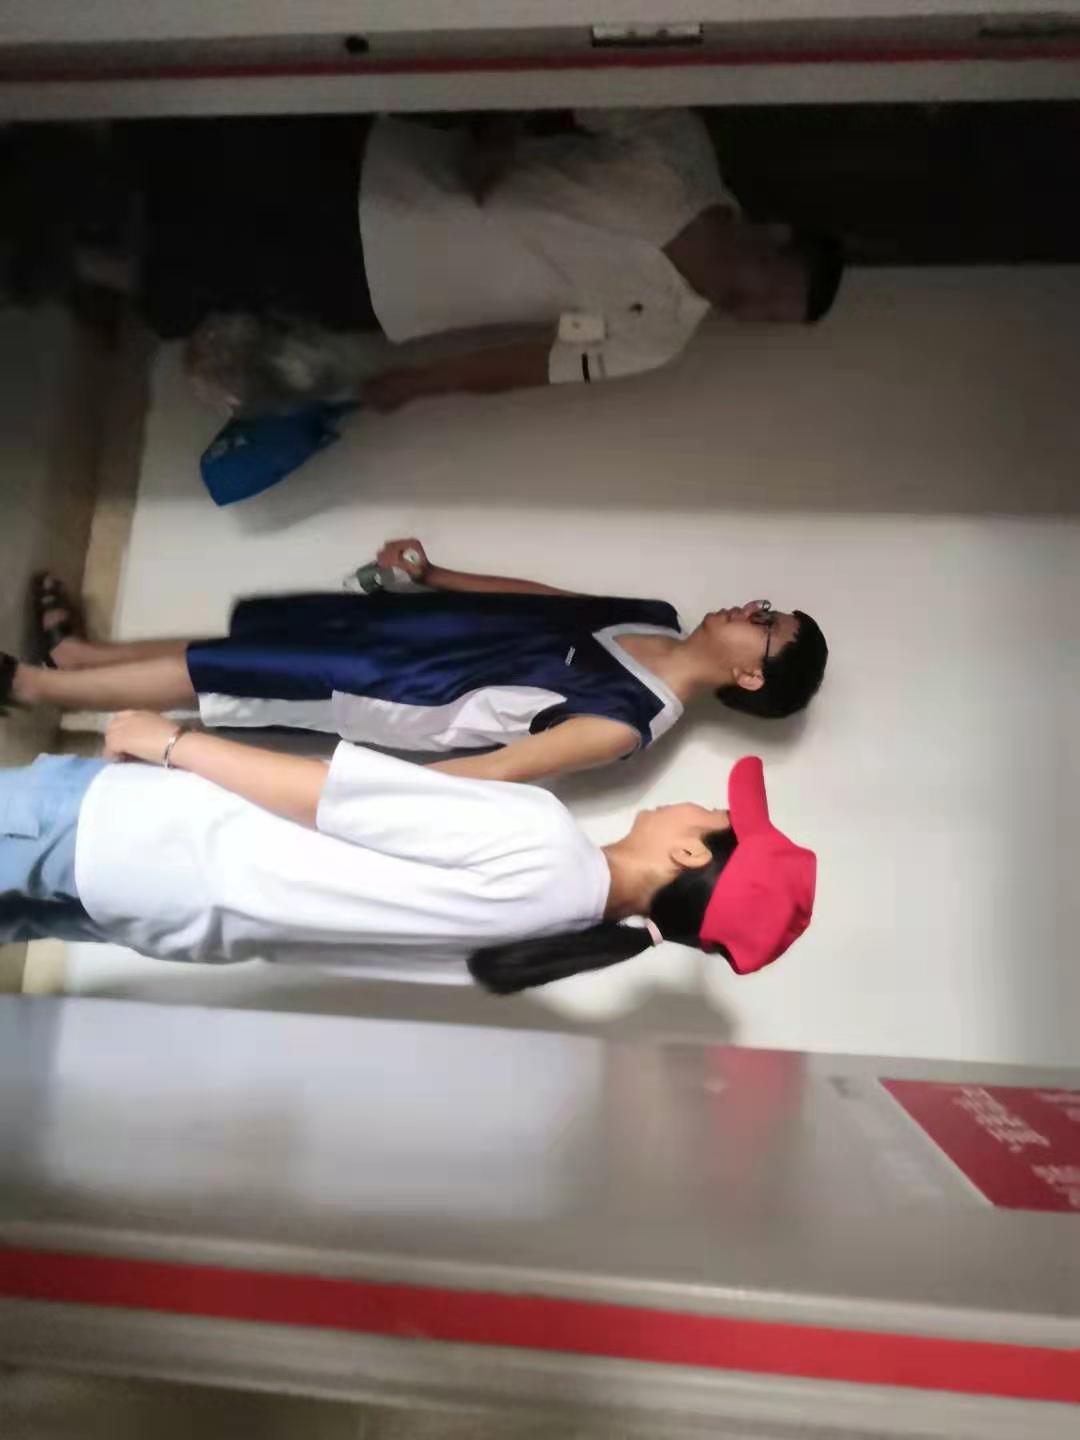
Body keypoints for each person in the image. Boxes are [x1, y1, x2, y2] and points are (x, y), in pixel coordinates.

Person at [0, 709, 816, 993]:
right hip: (164, 911)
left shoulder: (543, 839)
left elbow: (325, 796)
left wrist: (171, 741)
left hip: (145, 834)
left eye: (717, 814)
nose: (702, 803)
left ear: (689, 855)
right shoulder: (556, 938)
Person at [134, 111, 844, 412]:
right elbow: (571, 64)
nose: (751, 311)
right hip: (383, 172)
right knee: (195, 164)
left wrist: (413, 384)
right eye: (770, 291)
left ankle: (84, 261)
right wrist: (500, 132)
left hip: (383, 287)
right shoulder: (680, 153)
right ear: (775, 236)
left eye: (768, 318)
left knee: (198, 270)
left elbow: (528, 362)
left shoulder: (660, 334)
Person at [3, 554, 828, 786]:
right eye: (766, 606)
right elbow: (545, 600)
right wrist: (435, 577)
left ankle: (34, 688)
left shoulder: (627, 721)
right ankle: (79, 658)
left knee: (232, 669)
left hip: (404, 691)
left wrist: (374, 792)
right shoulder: (655, 616)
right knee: (251, 641)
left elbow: (496, 770)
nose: (752, 609)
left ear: (751, 678)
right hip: (424, 631)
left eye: (767, 626)